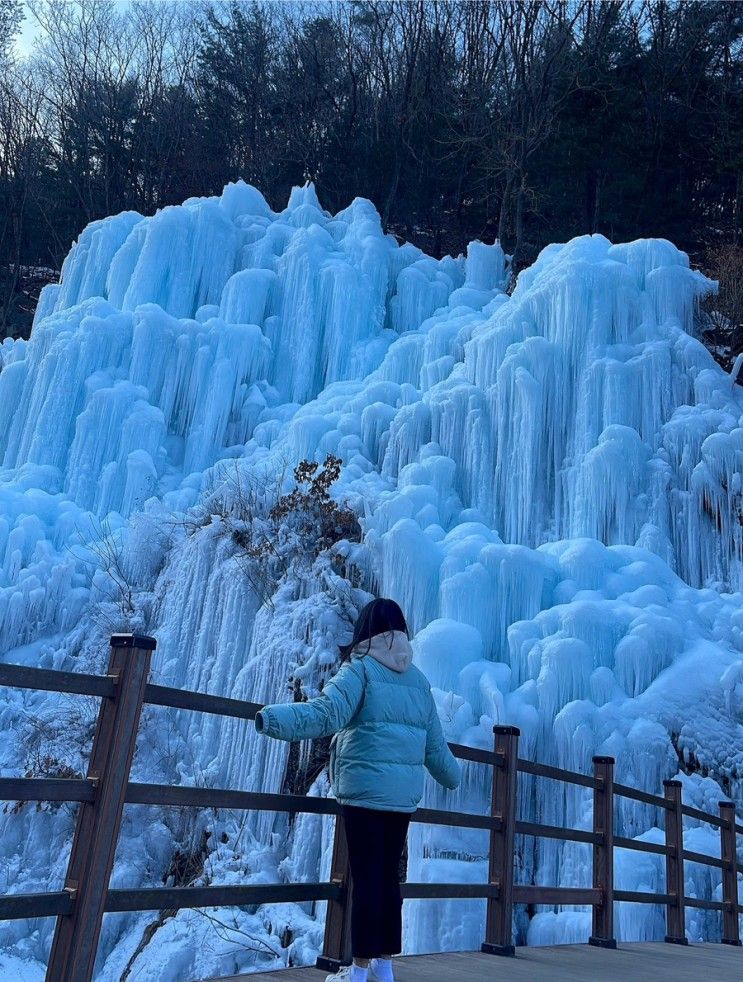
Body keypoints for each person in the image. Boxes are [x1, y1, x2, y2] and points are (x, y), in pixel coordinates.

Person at [254, 597, 461, 982]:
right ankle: (384, 968)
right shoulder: (418, 681)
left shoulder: (360, 671)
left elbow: (325, 713)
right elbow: (435, 747)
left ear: (365, 635)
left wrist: (272, 719)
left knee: (366, 879)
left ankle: (359, 972)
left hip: (364, 792)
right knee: (386, 880)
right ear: (401, 635)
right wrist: (454, 776)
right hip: (401, 799)